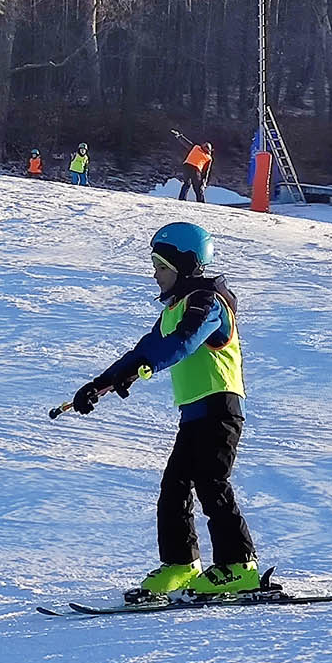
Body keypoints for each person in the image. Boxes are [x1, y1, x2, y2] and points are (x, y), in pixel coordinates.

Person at [67, 222, 262, 602]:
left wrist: (148, 366)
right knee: (174, 487)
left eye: (161, 267)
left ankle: (240, 566)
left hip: (221, 408)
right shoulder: (175, 307)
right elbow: (147, 349)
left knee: (212, 483)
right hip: (194, 414)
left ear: (184, 266)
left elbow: (184, 342)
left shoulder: (208, 301)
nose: (155, 275)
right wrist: (100, 383)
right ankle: (181, 564)